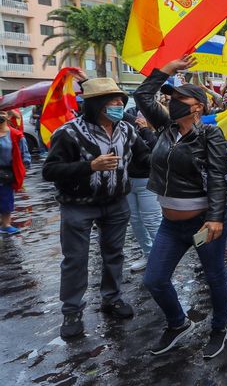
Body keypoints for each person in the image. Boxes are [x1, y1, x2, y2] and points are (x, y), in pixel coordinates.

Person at [135, 55, 227, 359]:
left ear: (198, 106)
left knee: (214, 276)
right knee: (154, 279)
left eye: (180, 98)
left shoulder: (210, 133)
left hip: (203, 223)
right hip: (170, 225)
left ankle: (220, 328)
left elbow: (217, 177)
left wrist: (215, 218)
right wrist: (168, 69)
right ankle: (178, 323)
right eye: (171, 98)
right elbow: (142, 95)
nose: (172, 102)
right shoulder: (166, 128)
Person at [44, 77, 150, 340]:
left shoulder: (127, 130)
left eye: (120, 100)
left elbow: (144, 157)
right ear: (95, 105)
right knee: (75, 259)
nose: (118, 105)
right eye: (112, 101)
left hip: (116, 204)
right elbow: (50, 170)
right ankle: (72, 311)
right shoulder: (68, 133)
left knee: (114, 254)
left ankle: (111, 298)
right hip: (78, 206)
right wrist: (89, 166)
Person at [122, 107, 161, 272]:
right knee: (135, 221)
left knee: (152, 221)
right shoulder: (126, 127)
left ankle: (162, 259)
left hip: (148, 182)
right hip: (129, 181)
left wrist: (145, 130)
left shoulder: (161, 130)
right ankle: (148, 254)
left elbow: (157, 151)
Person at [0, 109, 30, 235]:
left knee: (6, 198)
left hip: (7, 173)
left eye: (2, 113)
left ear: (8, 116)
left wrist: (23, 170)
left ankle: (6, 225)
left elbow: (25, 155)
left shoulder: (16, 135)